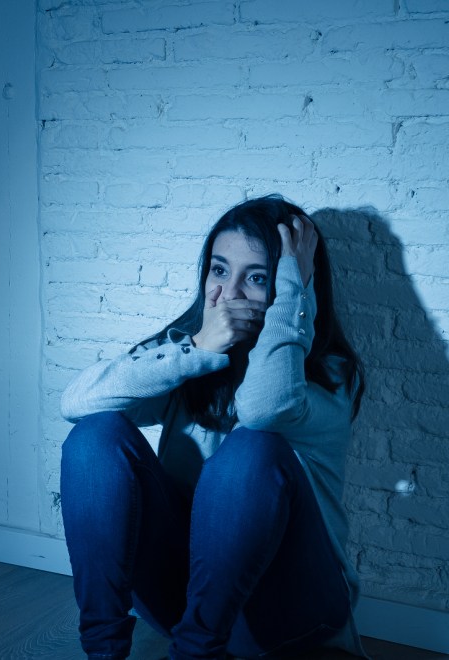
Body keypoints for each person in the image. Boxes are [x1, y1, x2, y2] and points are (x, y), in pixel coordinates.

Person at [59, 195, 367, 658]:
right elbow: (76, 402)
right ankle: (103, 652)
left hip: (293, 614)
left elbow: (264, 409)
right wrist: (198, 347)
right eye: (219, 270)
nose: (229, 294)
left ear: (295, 285)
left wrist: (291, 293)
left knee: (252, 448)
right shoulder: (189, 356)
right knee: (93, 435)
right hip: (191, 602)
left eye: (258, 277)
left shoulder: (329, 376)